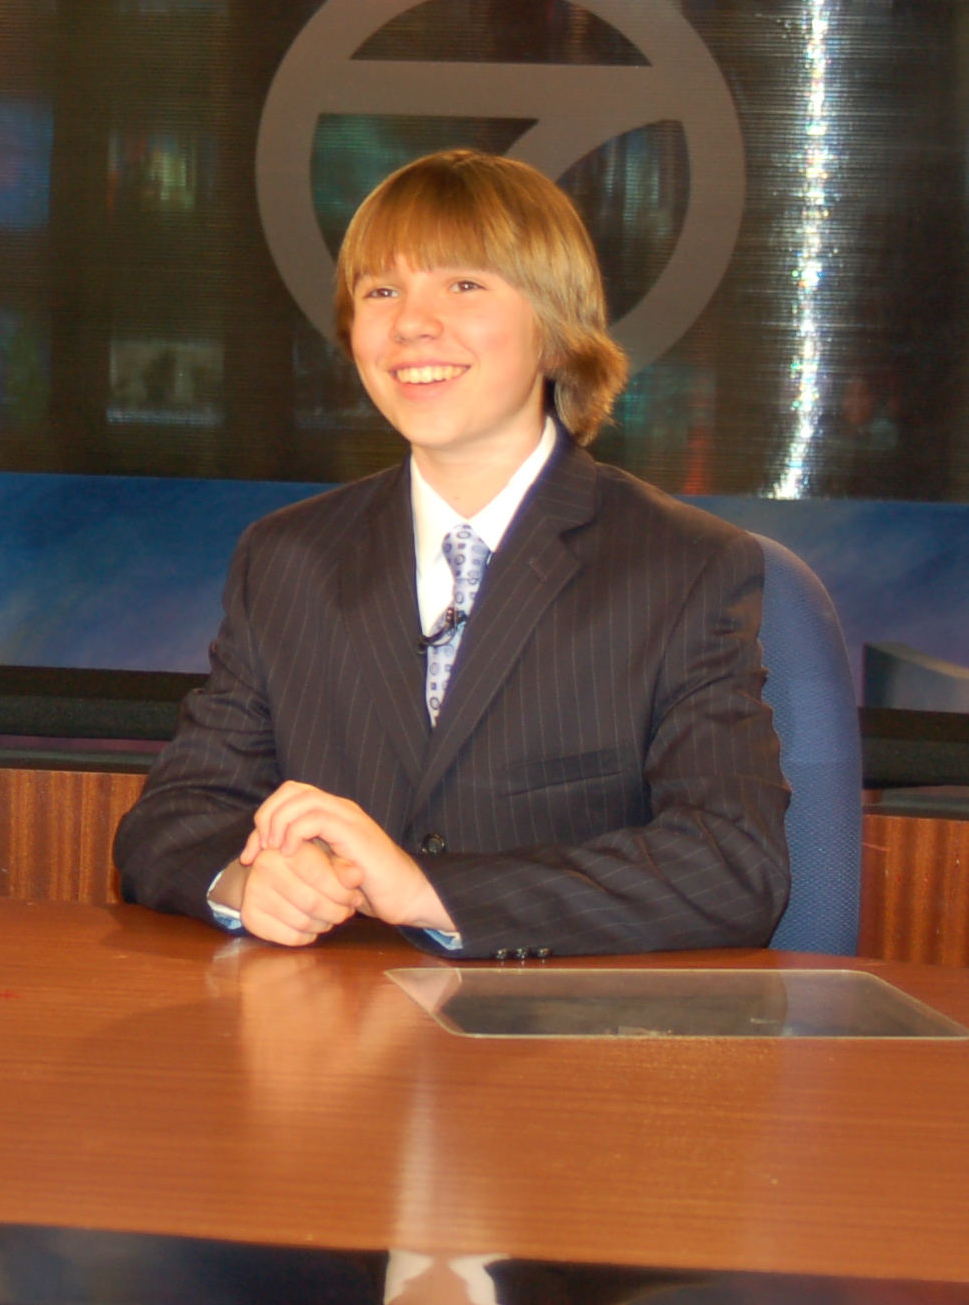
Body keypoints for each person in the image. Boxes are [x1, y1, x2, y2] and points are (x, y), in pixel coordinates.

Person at [112, 149, 787, 958]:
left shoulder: (682, 567)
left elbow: (732, 866)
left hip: (564, 1056)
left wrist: (430, 893)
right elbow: (172, 818)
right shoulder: (287, 557)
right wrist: (248, 883)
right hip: (333, 1048)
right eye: (381, 292)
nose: (410, 325)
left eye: (463, 285)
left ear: (554, 327)